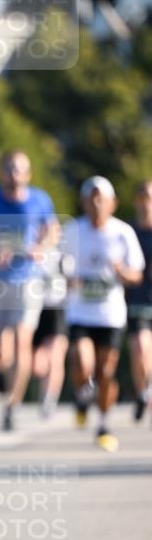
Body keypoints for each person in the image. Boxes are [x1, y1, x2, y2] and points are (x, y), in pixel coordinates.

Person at [0, 151, 57, 431]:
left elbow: (52, 230)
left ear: (28, 173)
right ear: (2, 173)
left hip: (27, 279)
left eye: (19, 169)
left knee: (22, 340)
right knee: (0, 351)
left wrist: (40, 250)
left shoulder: (40, 200)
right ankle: (5, 387)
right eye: (9, 169)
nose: (14, 174)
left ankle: (12, 405)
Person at [62, 176, 144, 451]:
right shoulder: (73, 230)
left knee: (106, 372)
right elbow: (57, 266)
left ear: (112, 203)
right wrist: (68, 278)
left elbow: (137, 273)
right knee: (83, 364)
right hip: (80, 312)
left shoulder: (122, 232)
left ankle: (104, 424)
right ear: (83, 202)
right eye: (91, 198)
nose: (96, 204)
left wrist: (122, 273)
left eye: (102, 198)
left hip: (110, 314)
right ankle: (83, 395)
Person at [31, 221, 69, 418]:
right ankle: (43, 391)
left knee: (55, 356)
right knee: (37, 364)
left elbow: (73, 283)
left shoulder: (63, 257)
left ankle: (50, 398)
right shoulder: (33, 255)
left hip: (57, 309)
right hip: (35, 310)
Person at [126, 180, 152, 421]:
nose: (147, 203)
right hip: (137, 301)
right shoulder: (128, 231)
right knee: (140, 349)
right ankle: (142, 391)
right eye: (143, 197)